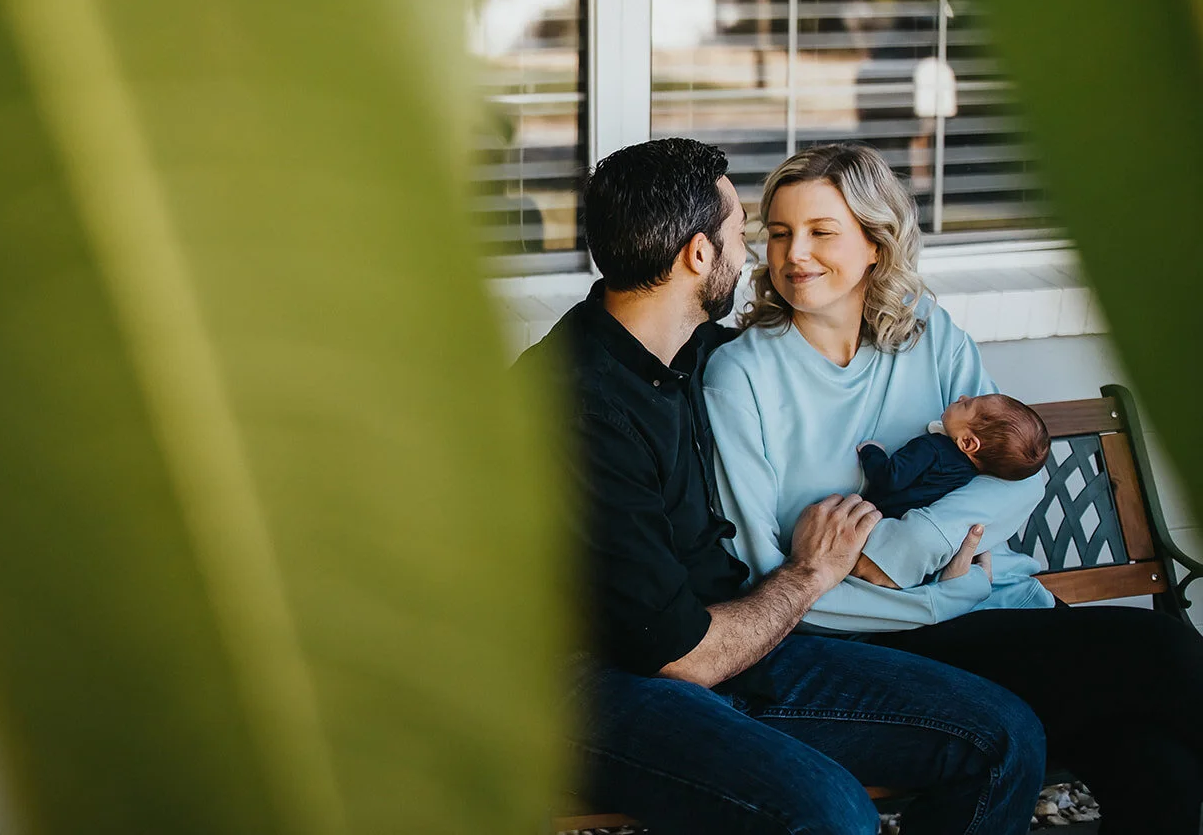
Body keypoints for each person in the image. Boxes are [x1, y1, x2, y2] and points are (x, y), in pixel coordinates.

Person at [514, 138, 1044, 835]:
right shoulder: (577, 406)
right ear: (698, 255)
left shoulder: (681, 350)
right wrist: (809, 572)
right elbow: (678, 656)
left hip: (728, 639)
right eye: (745, 233)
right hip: (597, 679)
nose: (757, 256)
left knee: (1003, 737)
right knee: (830, 812)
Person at [705, 142, 1203, 833]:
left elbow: (1016, 479)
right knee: (1160, 653)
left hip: (992, 604)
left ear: (876, 244)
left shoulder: (928, 335)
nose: (796, 255)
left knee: (1156, 764)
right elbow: (761, 566)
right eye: (782, 232)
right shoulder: (741, 374)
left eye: (822, 231)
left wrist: (899, 552)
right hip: (868, 634)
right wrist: (930, 587)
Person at [858, 393, 1050, 522]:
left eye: (966, 404)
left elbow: (891, 477)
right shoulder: (967, 475)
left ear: (967, 442)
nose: (962, 397)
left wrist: (871, 451)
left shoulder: (931, 449)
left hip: (877, 517)